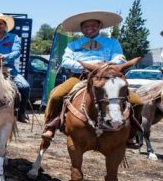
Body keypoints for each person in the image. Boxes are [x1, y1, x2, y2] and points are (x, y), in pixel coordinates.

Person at [42, 11, 142, 145]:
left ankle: (131, 133)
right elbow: (65, 61)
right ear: (81, 28)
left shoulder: (112, 42)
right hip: (80, 76)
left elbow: (120, 58)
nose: (89, 28)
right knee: (56, 95)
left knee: (138, 102)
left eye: (93, 25)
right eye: (85, 26)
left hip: (107, 77)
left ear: (99, 26)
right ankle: (51, 126)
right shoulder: (73, 45)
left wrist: (105, 66)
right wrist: (86, 66)